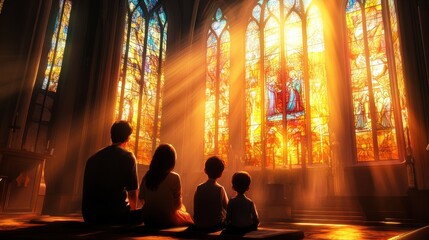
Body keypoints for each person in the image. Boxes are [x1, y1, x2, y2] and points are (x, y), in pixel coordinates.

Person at [82, 120, 142, 225]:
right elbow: (132, 192)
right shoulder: (128, 157)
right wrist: (133, 214)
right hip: (115, 216)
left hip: (90, 216)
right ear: (128, 137)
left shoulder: (93, 158)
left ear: (111, 135)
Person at [138, 143, 193, 228]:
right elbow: (177, 205)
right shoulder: (174, 177)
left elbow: (141, 198)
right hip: (167, 219)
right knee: (188, 218)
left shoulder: (147, 176)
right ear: (172, 161)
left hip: (147, 218)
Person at [193, 156, 228, 231]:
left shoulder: (199, 188)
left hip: (200, 224)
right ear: (221, 173)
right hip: (215, 225)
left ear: (205, 170)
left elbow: (196, 207)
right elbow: (227, 207)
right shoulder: (220, 189)